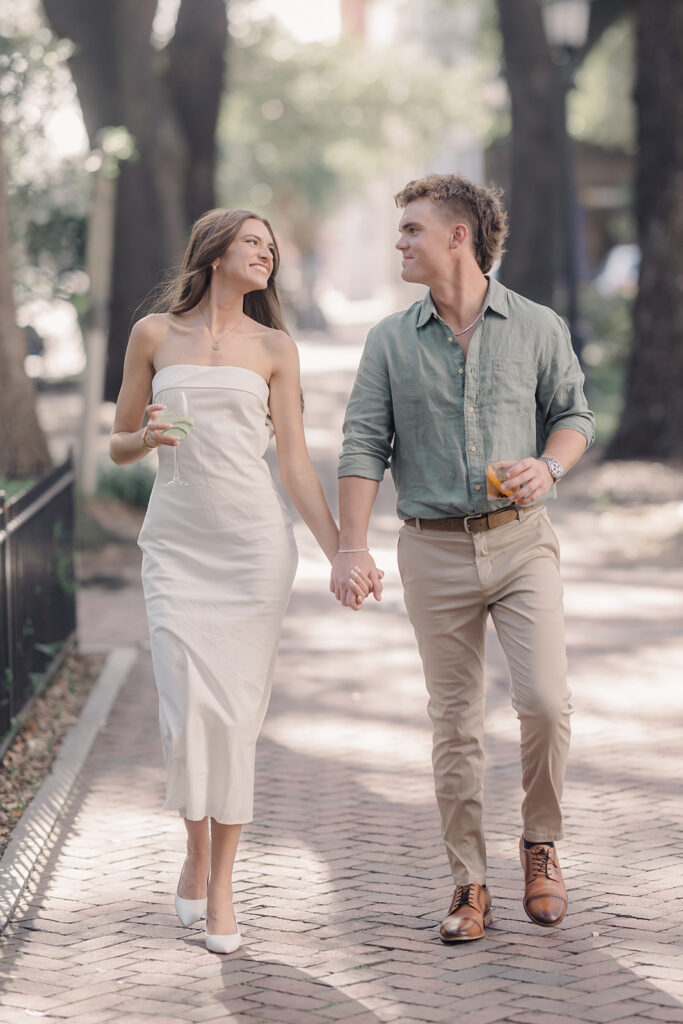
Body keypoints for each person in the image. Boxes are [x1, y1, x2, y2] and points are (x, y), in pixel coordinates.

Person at [330, 173, 594, 942]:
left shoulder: (536, 326)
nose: (399, 242)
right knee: (454, 724)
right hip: (432, 549)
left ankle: (539, 846)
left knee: (545, 701)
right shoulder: (388, 339)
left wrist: (549, 466)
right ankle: (467, 884)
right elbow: (361, 446)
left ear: (458, 237)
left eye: (411, 228)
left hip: (520, 542)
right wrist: (352, 546)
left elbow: (572, 413)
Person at [110, 208, 370, 954]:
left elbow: (292, 465)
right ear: (215, 249)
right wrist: (147, 437)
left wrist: (341, 552)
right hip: (176, 548)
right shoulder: (154, 336)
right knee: (185, 711)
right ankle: (193, 849)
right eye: (254, 241)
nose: (267, 254)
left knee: (233, 720)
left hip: (254, 552)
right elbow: (121, 443)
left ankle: (220, 880)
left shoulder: (275, 347)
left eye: (272, 248)